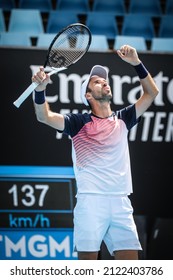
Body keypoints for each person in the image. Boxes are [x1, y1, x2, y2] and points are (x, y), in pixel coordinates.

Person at [32, 45, 159, 260]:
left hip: (121, 202)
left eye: (105, 80)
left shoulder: (123, 118)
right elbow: (44, 116)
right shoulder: (77, 123)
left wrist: (137, 63)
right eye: (97, 82)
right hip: (91, 202)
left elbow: (152, 92)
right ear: (88, 95)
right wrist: (39, 90)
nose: (104, 82)